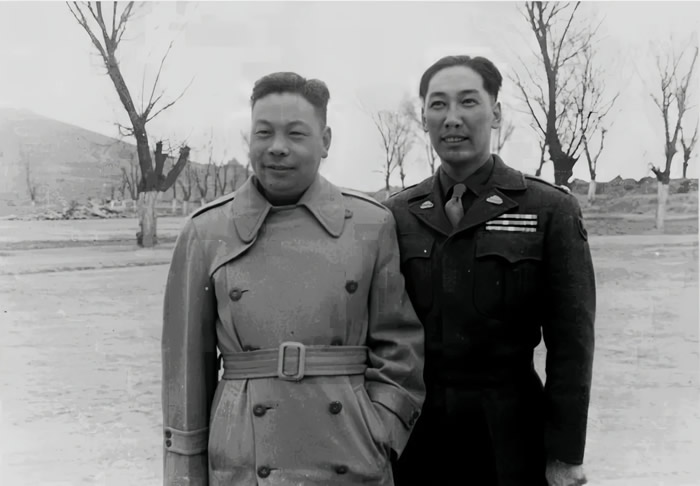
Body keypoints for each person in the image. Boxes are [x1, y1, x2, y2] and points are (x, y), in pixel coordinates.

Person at [161, 72, 425, 486]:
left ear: (325, 141)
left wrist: (381, 430)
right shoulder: (205, 231)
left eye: (296, 133)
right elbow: (185, 373)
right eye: (263, 132)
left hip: (351, 452)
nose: (277, 147)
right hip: (244, 459)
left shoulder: (371, 223)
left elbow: (399, 344)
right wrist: (184, 469)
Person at [383, 55, 595, 486]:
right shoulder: (397, 214)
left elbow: (572, 346)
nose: (452, 118)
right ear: (423, 118)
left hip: (512, 436)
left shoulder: (549, 209)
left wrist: (565, 454)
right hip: (417, 437)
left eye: (468, 102)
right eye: (438, 105)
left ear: (495, 114)